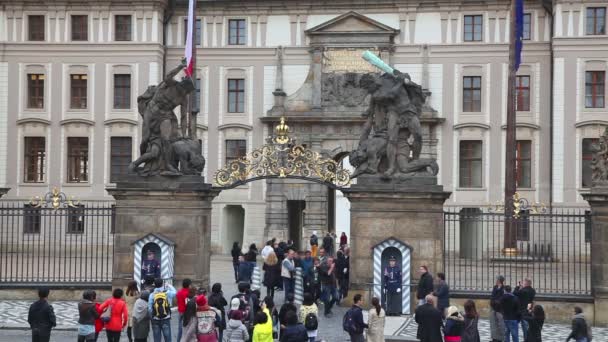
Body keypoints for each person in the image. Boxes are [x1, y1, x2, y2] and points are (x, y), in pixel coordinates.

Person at [148, 278, 177, 342]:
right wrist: (169, 285)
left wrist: (152, 316)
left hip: (155, 319)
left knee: (157, 338)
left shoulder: (152, 295)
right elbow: (175, 292)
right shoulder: (167, 293)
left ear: (154, 285)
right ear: (162, 284)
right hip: (165, 318)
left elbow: (149, 309)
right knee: (167, 337)